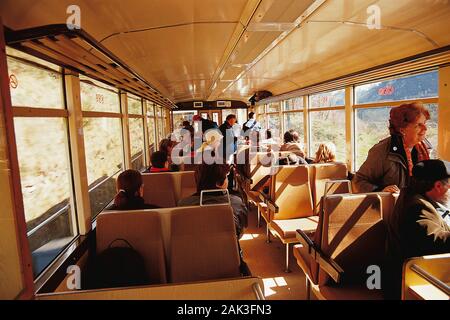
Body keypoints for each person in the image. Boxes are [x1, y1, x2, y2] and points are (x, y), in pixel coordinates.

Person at [384, 159, 450, 299]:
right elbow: (437, 242)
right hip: (407, 283)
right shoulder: (416, 207)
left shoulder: (410, 195)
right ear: (438, 186)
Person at [353, 103, 432, 194]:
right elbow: (357, 182)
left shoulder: (425, 149)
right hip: (391, 206)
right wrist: (381, 190)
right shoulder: (381, 151)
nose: (425, 128)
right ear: (402, 129)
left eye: (425, 123)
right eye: (419, 125)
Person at [178, 163, 248, 240]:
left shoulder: (183, 205)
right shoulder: (236, 203)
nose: (227, 179)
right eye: (226, 177)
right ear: (218, 183)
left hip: (193, 249)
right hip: (226, 250)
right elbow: (241, 230)